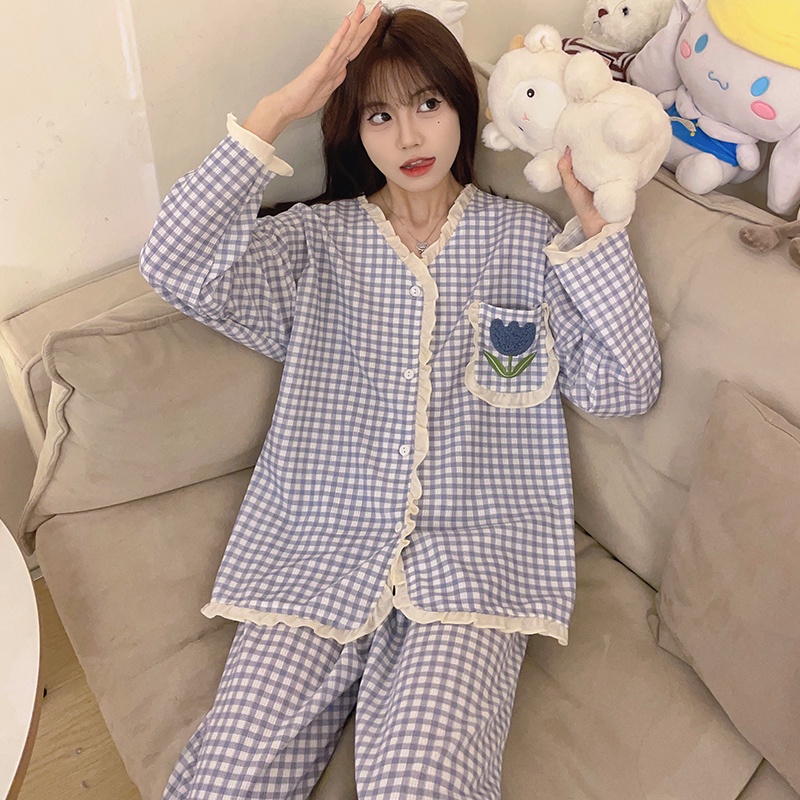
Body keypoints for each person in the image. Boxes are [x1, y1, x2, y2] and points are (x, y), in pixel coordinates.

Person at [139, 3, 661, 798]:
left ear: (461, 105)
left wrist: (598, 243)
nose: (410, 136)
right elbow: (173, 266)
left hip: (474, 568)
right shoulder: (313, 244)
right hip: (315, 553)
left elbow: (623, 387)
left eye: (428, 103)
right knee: (229, 779)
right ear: (354, 129)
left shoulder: (526, 242)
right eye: (380, 115)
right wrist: (279, 110)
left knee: (423, 783)